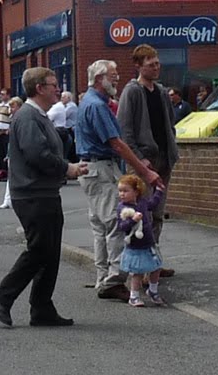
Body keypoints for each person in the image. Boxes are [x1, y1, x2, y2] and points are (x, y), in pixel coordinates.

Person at [0, 67, 86, 328]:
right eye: (54, 84)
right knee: (40, 249)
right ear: (39, 88)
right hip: (33, 194)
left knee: (50, 251)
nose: (58, 89)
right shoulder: (29, 117)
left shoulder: (37, 115)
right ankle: (2, 297)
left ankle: (42, 308)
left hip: (43, 192)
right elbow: (37, 154)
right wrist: (67, 168)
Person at [76, 60, 162, 301]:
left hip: (91, 168)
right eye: (112, 76)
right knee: (116, 222)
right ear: (99, 79)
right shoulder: (97, 106)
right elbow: (116, 143)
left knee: (99, 225)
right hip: (101, 168)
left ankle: (102, 276)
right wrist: (143, 171)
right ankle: (114, 280)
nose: (117, 79)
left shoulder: (91, 102)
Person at [116, 44, 179, 276]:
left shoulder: (162, 92)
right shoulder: (131, 92)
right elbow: (125, 131)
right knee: (141, 213)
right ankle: (139, 269)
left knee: (158, 212)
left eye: (157, 63)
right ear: (138, 66)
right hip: (143, 162)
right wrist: (141, 160)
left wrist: (172, 150)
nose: (156, 67)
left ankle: (153, 262)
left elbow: (169, 125)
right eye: (150, 64)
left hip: (164, 158)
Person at [116, 174, 167, 308]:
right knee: (138, 272)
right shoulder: (123, 208)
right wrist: (132, 220)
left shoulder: (142, 202)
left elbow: (153, 204)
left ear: (136, 191)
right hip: (135, 246)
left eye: (125, 191)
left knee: (156, 268)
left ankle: (153, 290)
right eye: (120, 191)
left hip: (148, 243)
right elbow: (121, 227)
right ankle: (134, 296)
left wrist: (159, 191)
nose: (121, 194)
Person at [46, 90, 77, 163]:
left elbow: (47, 118)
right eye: (62, 97)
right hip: (65, 131)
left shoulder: (69, 106)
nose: (62, 98)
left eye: (64, 97)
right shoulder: (62, 106)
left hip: (66, 130)